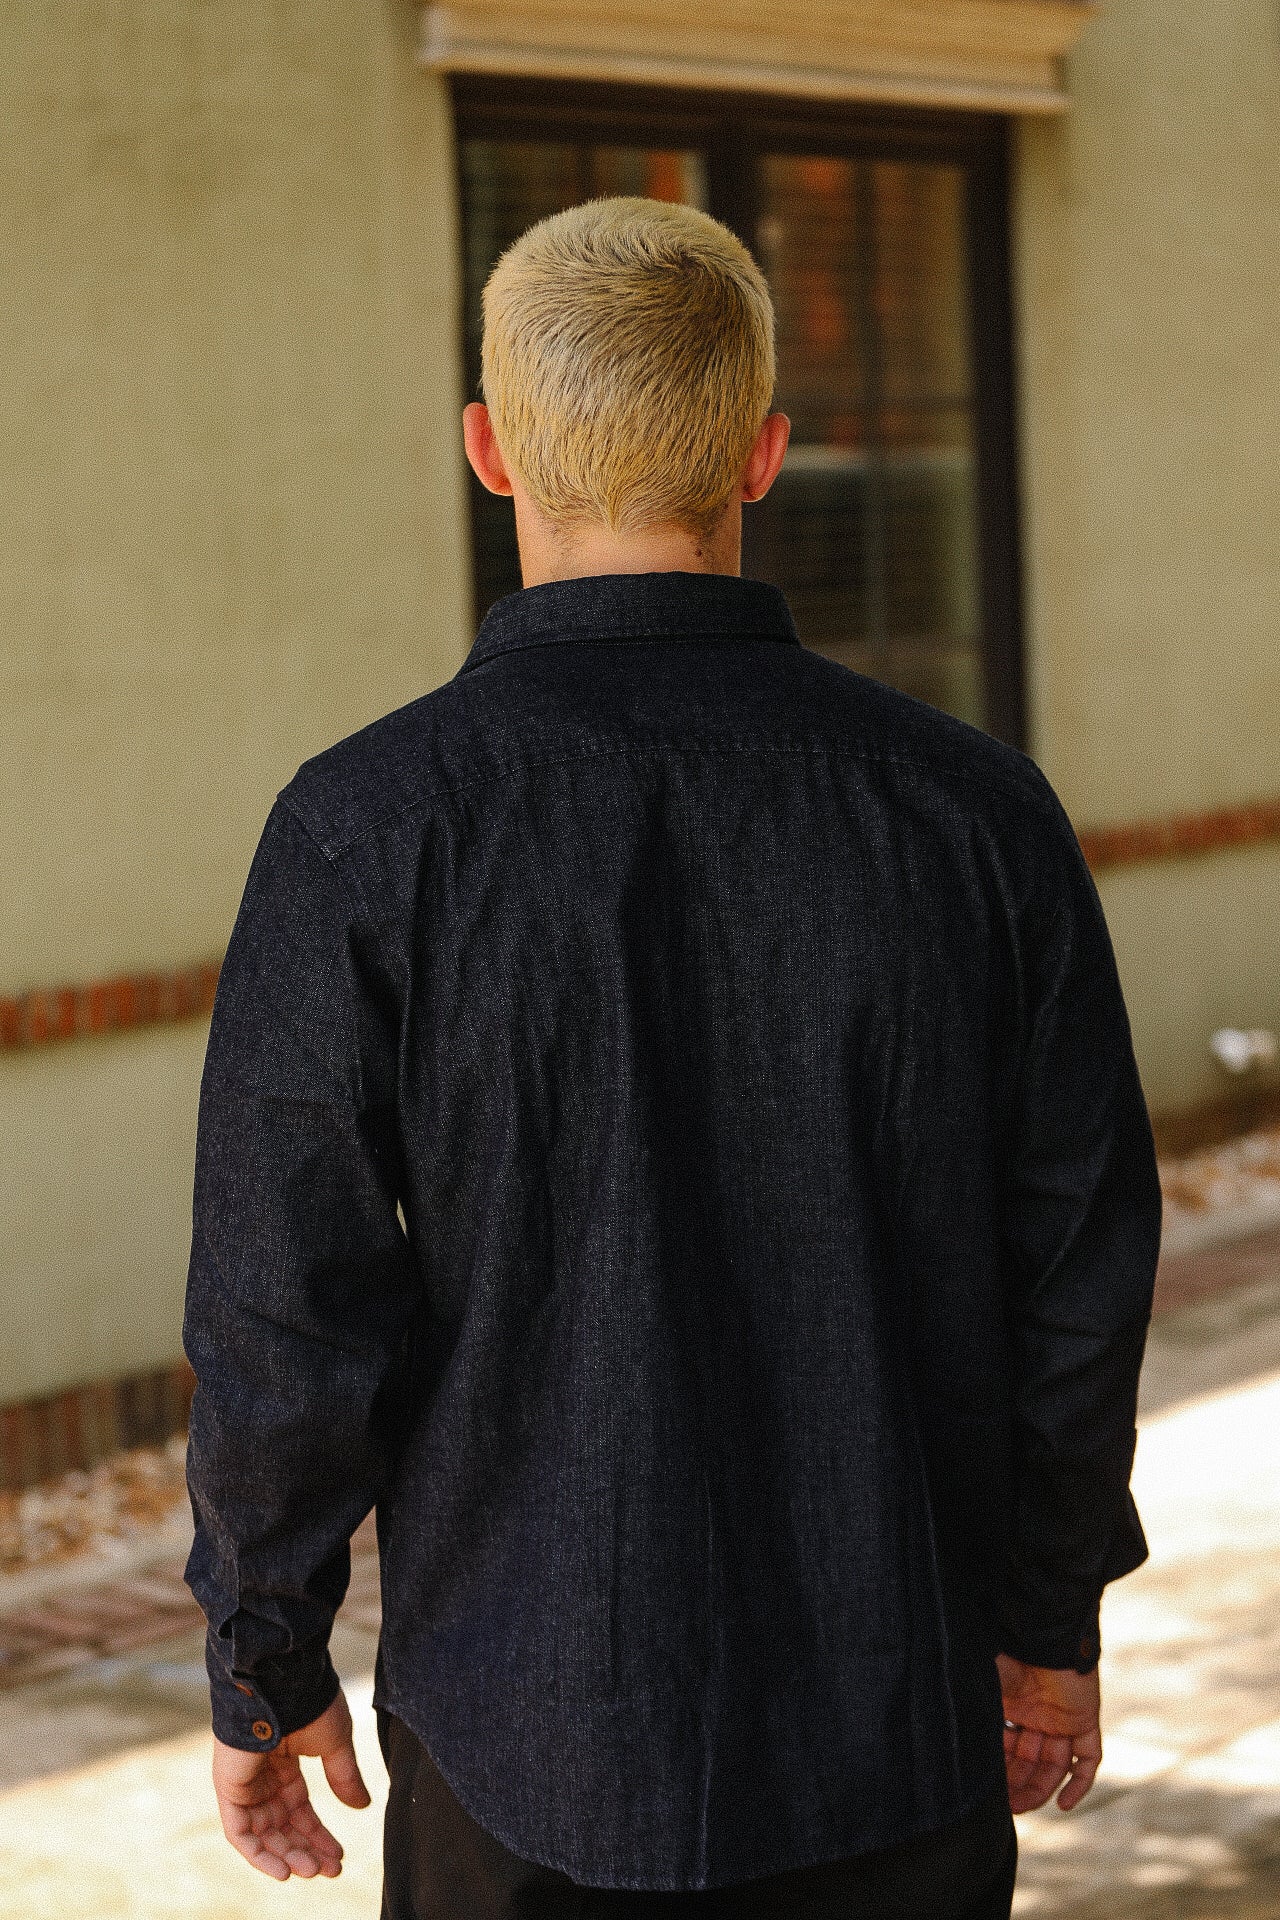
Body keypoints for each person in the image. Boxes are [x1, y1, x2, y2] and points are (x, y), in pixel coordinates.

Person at [182, 196, 1163, 1919]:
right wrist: (1044, 1617)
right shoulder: (972, 817)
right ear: (767, 455)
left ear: (489, 453)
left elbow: (286, 1303)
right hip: (897, 1713)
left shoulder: (363, 832)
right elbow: (1078, 1273)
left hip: (521, 1733)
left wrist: (264, 1652)